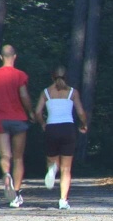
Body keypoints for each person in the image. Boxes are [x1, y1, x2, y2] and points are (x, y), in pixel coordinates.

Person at [0, 44, 35, 208]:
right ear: (15, 56)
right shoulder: (20, 75)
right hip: (18, 119)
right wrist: (31, 112)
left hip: (0, 119)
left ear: (0, 57)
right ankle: (16, 194)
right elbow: (24, 95)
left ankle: (6, 175)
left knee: (5, 156)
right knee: (18, 158)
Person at [35, 65, 88, 210]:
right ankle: (63, 200)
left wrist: (43, 123)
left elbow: (37, 112)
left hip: (52, 128)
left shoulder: (46, 92)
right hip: (68, 129)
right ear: (67, 77)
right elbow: (81, 112)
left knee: (52, 160)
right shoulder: (72, 92)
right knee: (66, 169)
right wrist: (84, 124)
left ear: (52, 76)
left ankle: (52, 168)